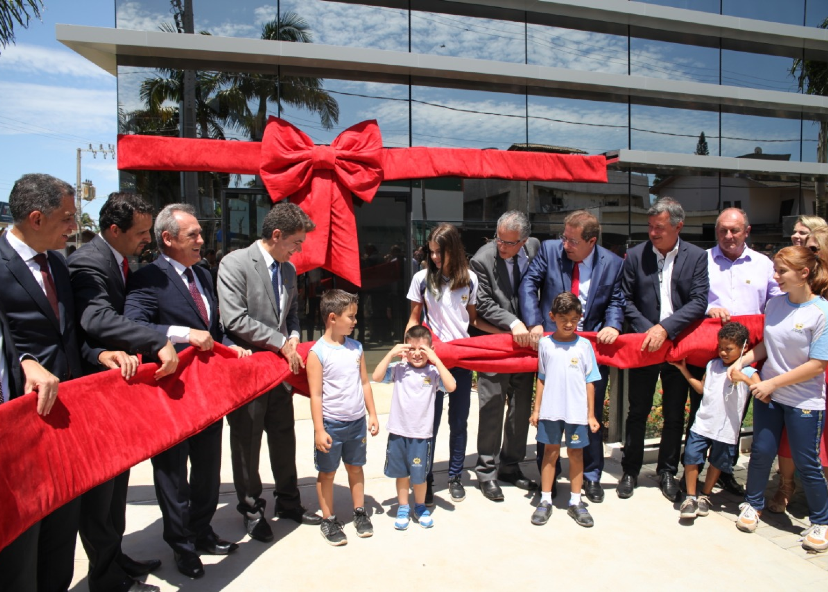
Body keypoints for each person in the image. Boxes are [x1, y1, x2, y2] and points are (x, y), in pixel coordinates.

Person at [0, 174, 132, 592]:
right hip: (19, 426)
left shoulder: (59, 262)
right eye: (68, 218)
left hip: (66, 419)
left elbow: (70, 335)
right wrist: (24, 363)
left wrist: (99, 355)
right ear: (36, 218)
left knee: (61, 534)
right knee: (21, 548)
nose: (74, 226)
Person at [124, 204, 250, 580]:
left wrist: (232, 344)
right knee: (173, 475)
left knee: (208, 470)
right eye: (193, 234)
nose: (201, 240)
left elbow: (212, 326)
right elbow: (135, 324)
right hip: (170, 395)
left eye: (200, 233)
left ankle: (202, 531)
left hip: (205, 394)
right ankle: (181, 546)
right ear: (168, 239)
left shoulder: (203, 275)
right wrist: (182, 334)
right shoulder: (147, 277)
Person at [69, 193, 181, 592]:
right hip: (90, 394)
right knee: (99, 497)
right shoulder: (87, 262)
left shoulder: (120, 260)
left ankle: (117, 557)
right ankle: (105, 578)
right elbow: (94, 318)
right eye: (141, 232)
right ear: (114, 230)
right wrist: (154, 340)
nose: (147, 239)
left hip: (116, 391)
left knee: (116, 488)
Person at [217, 202, 321, 545]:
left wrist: (291, 337)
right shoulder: (234, 264)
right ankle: (251, 509)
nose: (299, 249)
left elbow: (291, 315)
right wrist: (281, 343)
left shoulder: (289, 270)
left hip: (280, 371)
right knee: (247, 442)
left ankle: (289, 502)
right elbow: (234, 319)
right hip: (247, 370)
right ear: (276, 236)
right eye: (296, 242)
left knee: (283, 435)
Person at [520, 210, 624, 503]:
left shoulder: (613, 263)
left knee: (587, 414)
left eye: (572, 240)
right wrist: (535, 322)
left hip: (588, 349)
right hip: (553, 346)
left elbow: (616, 299)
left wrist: (613, 325)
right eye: (564, 236)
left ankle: (591, 476)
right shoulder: (550, 251)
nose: (565, 243)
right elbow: (530, 284)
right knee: (550, 413)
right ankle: (547, 480)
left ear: (591, 241)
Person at [729, 246, 828, 553]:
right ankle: (753, 504)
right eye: (775, 270)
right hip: (769, 396)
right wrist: (743, 361)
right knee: (761, 451)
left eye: (782, 271)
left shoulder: (822, 312)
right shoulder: (775, 304)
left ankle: (821, 522)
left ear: (804, 274)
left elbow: (818, 364)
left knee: (806, 462)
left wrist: (771, 382)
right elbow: (767, 347)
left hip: (805, 401)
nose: (776, 277)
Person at [618, 197, 709, 502]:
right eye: (650, 226)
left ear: (677, 226)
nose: (653, 232)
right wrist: (649, 330)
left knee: (674, 413)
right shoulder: (635, 255)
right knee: (638, 410)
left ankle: (667, 471)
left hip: (678, 345)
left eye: (660, 227)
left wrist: (665, 329)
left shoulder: (696, 257)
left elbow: (699, 301)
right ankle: (629, 470)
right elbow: (625, 298)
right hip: (645, 345)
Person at [406, 223, 499, 506]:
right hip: (431, 361)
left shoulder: (470, 279)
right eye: (431, 252)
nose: (434, 257)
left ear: (453, 251)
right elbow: (413, 319)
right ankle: (427, 477)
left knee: (458, 421)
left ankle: (456, 476)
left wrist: (505, 334)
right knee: (428, 424)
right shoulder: (421, 279)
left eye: (440, 252)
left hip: (460, 360)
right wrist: (411, 348)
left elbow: (472, 321)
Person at [701, 207, 780, 496]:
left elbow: (776, 303)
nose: (728, 236)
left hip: (749, 354)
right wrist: (710, 308)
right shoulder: (703, 260)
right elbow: (692, 298)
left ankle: (724, 471)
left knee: (735, 414)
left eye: (734, 230)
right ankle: (694, 468)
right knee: (703, 410)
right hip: (709, 350)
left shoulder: (764, 264)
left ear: (747, 231)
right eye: (722, 230)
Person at [469, 210, 540, 501]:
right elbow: (483, 303)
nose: (502, 246)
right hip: (496, 341)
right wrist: (514, 323)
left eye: (509, 243)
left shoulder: (535, 249)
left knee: (521, 406)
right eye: (499, 239)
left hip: (528, 345)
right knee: (492, 404)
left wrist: (534, 323)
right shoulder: (481, 259)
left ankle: (511, 465)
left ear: (523, 241)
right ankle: (487, 470)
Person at [307, 290, 379, 546]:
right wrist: (319, 429)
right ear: (332, 318)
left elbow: (364, 383)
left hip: (356, 423)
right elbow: (315, 395)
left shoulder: (356, 347)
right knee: (327, 473)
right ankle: (329, 519)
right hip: (331, 425)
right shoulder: (318, 353)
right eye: (351, 317)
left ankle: (359, 512)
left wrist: (372, 413)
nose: (355, 321)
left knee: (356, 468)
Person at [670, 322, 760, 520]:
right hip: (703, 422)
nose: (723, 353)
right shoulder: (712, 365)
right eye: (720, 348)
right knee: (691, 457)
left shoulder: (749, 372)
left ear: (743, 348)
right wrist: (684, 370)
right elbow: (702, 389)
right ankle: (690, 497)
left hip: (727, 428)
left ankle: (706, 495)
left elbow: (762, 393)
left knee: (717, 462)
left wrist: (743, 378)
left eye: (729, 349)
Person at [372, 325, 457, 530]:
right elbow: (375, 376)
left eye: (423, 350)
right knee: (402, 474)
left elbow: (452, 386)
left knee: (419, 476)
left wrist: (436, 360)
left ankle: (419, 506)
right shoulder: (399, 369)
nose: (417, 354)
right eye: (412, 349)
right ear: (405, 350)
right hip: (398, 432)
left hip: (421, 435)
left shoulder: (434, 372)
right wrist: (391, 353)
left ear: (431, 350)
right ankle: (403, 507)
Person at [529, 292, 602, 528]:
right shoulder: (545, 344)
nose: (569, 324)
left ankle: (576, 501)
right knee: (550, 453)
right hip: (551, 411)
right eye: (563, 319)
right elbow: (541, 377)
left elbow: (590, 380)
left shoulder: (584, 345)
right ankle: (546, 499)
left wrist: (590, 415)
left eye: (573, 319)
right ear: (552, 317)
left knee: (576, 454)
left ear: (580, 317)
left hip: (576, 413)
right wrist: (536, 409)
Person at [770, 222, 828, 513]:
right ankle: (786, 485)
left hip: (816, 371)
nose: (804, 245)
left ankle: (821, 510)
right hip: (798, 374)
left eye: (813, 246)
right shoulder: (784, 298)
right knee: (790, 438)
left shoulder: (820, 304)